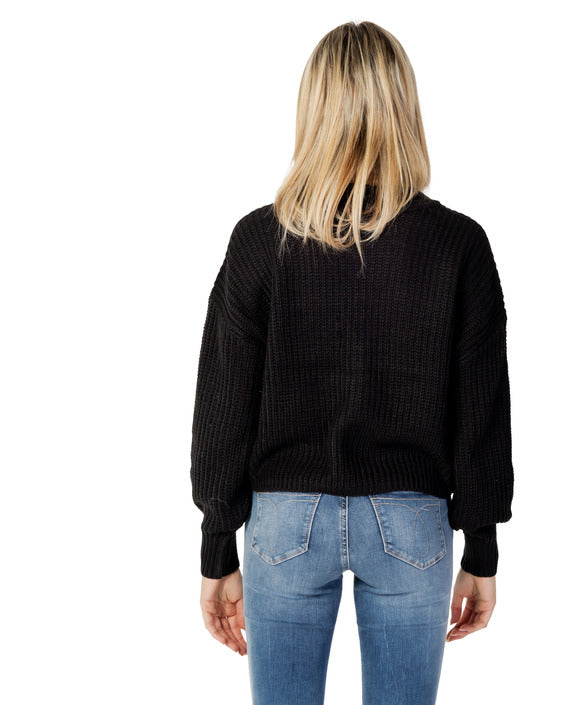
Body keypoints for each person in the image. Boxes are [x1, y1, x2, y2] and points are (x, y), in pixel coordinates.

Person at [189, 20, 514, 705]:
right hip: (411, 523)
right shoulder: (457, 244)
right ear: (405, 109)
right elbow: (480, 410)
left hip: (283, 522)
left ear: (312, 110)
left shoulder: (259, 240)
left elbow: (224, 403)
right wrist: (480, 547)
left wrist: (217, 542)